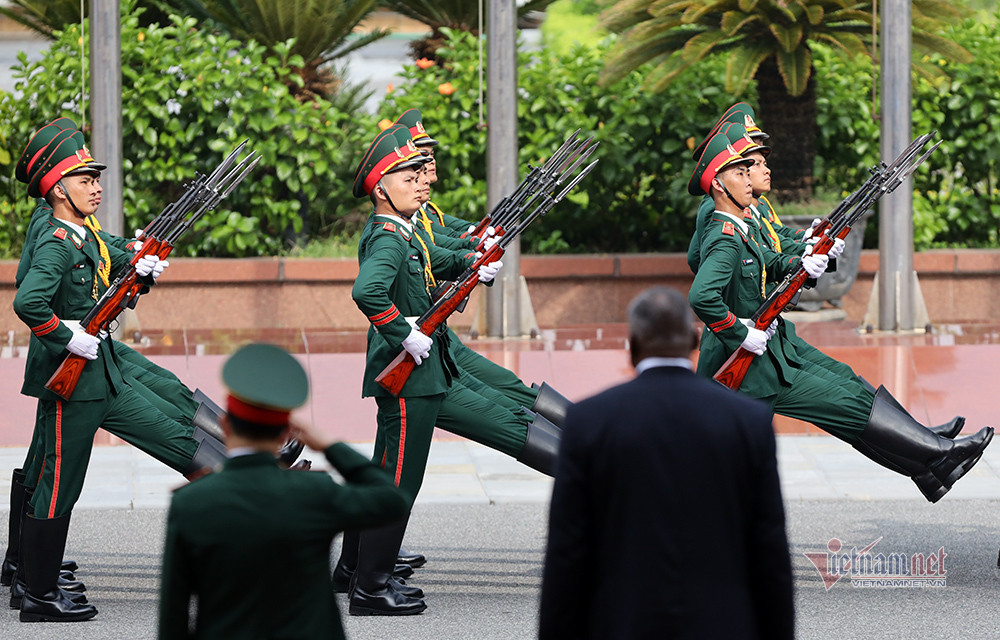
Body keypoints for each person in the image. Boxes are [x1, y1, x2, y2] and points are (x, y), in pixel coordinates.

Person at [687, 131, 993, 503]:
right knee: (839, 410)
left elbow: (772, 257)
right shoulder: (726, 230)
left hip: (768, 352)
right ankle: (935, 455)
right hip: (750, 370)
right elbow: (702, 291)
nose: (754, 174)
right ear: (718, 183)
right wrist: (740, 332)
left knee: (843, 395)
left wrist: (807, 255)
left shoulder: (744, 225)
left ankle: (928, 459)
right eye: (743, 169)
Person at [539, 286, 794, 640]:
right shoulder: (746, 421)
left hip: (623, 623)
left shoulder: (589, 421)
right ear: (692, 340)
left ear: (633, 344)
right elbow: (769, 552)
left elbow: (567, 554)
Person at [157, 343, 408, 640]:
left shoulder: (191, 502)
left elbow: (173, 615)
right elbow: (392, 501)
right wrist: (329, 445)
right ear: (284, 432)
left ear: (224, 424)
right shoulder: (314, 492)